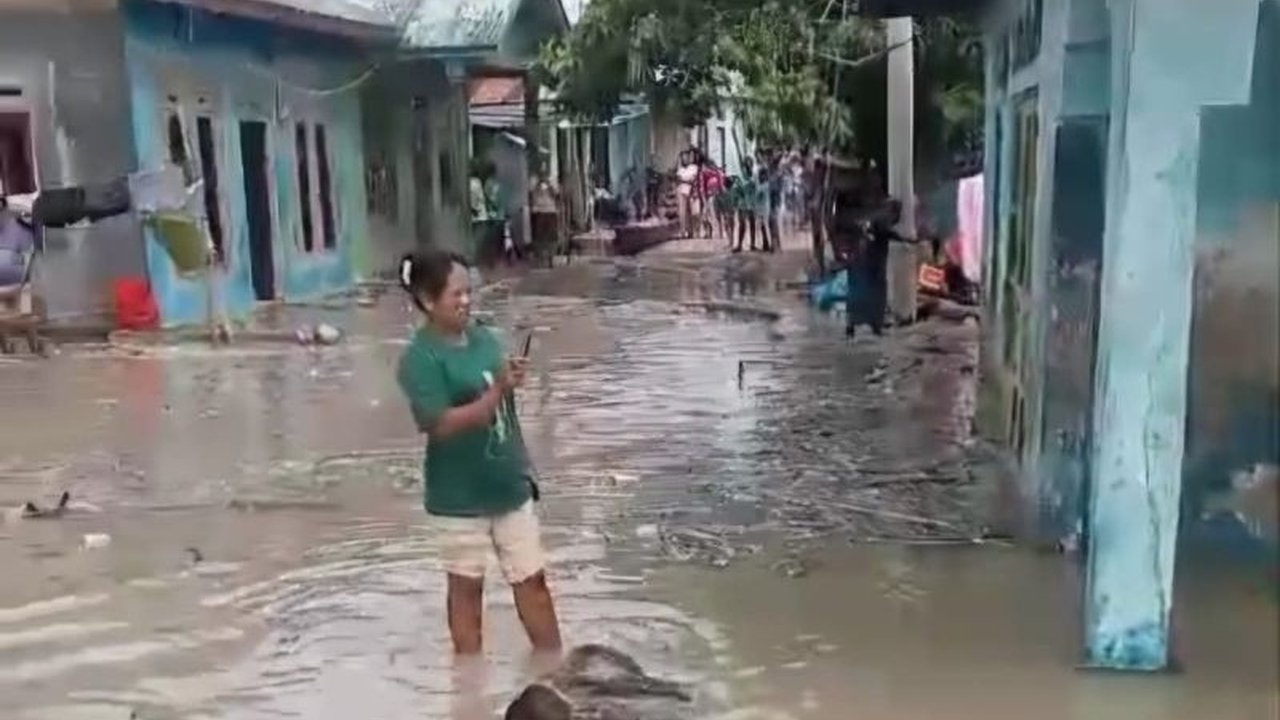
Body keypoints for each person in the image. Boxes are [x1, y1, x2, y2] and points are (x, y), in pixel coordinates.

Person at [396, 250, 562, 655]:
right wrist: (496, 391)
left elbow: (499, 383)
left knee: (533, 582)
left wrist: (512, 378)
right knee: (467, 591)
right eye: (457, 295)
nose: (467, 302)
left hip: (508, 482)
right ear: (427, 300)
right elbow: (440, 424)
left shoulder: (485, 337)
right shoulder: (419, 360)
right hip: (457, 496)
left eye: (469, 292)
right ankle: (469, 691)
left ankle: (554, 670)